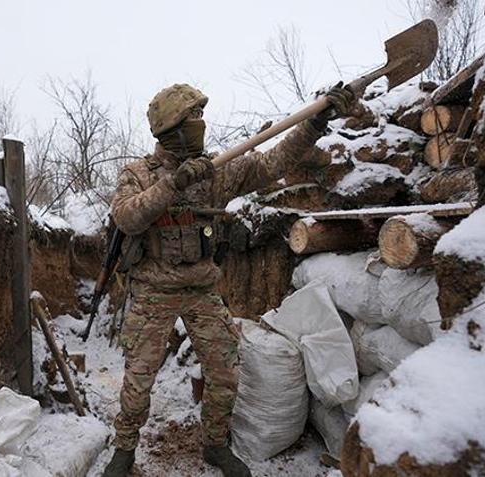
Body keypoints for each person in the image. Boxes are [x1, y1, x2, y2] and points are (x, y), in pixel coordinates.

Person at [103, 83, 354, 477]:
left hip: (202, 290)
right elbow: (127, 217)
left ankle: (215, 444)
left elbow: (272, 163)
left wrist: (314, 126)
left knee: (226, 372)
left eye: (202, 115)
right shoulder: (138, 174)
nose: (201, 122)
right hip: (154, 293)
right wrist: (174, 184)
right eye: (193, 117)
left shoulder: (216, 171)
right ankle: (124, 449)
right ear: (172, 126)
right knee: (139, 381)